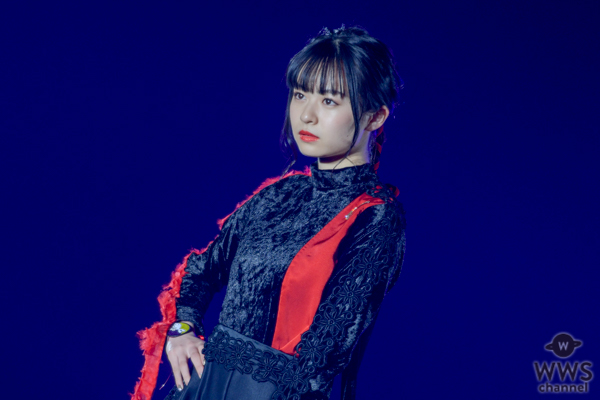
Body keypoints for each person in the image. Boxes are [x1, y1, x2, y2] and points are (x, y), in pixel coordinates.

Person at [132, 25, 406, 400]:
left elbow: (324, 354)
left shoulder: (374, 217)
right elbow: (200, 271)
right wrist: (182, 330)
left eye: (329, 101)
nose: (306, 114)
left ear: (375, 117)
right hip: (205, 387)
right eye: (300, 94)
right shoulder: (278, 195)